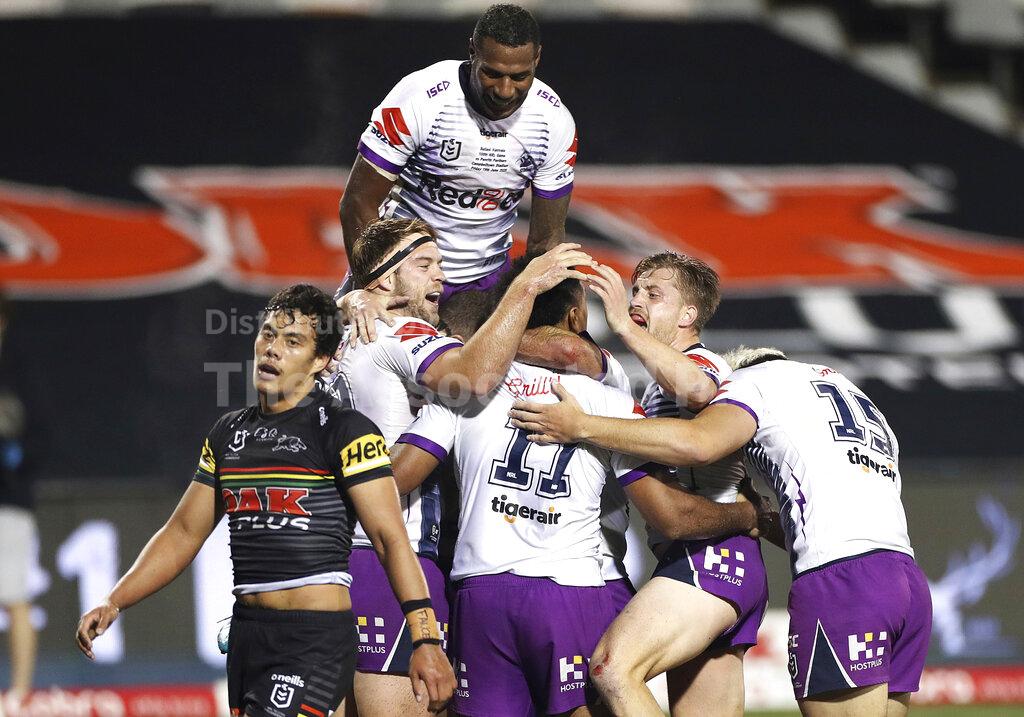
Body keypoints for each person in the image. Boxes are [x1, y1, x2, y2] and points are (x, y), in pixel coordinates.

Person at [389, 271, 767, 717]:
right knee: (614, 682)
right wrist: (749, 516)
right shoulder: (611, 397)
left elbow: (395, 480)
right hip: (577, 583)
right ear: (575, 317)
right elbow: (671, 514)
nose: (636, 303)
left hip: (481, 586)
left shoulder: (464, 388)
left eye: (652, 293)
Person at [76, 285, 456, 717]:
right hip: (248, 638)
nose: (273, 349)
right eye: (269, 334)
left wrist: (426, 638)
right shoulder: (228, 434)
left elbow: (390, 538)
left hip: (314, 640)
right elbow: (183, 533)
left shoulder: (346, 432)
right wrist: (115, 600)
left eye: (292, 342)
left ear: (321, 361)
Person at [509, 346, 932, 717]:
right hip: (905, 581)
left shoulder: (748, 383)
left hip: (838, 582)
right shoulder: (854, 401)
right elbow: (807, 513)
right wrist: (755, 513)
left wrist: (582, 425)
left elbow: (698, 443)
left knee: (613, 668)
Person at [327, 219, 593, 717]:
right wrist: (525, 288)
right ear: (383, 278)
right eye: (424, 265)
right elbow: (474, 375)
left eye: (440, 265)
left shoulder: (340, 340)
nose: (440, 277)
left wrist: (349, 299)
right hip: (393, 559)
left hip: (335, 556)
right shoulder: (405, 333)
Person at [547, 254, 769, 716]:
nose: (637, 300)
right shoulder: (655, 386)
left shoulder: (702, 363)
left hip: (711, 556)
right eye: (636, 291)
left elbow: (700, 391)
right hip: (717, 560)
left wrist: (621, 327)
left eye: (654, 293)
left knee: (612, 668)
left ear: (688, 315)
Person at [337, 3, 577, 335]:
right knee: (340, 355)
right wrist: (377, 287)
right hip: (400, 272)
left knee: (470, 367)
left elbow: (545, 242)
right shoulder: (420, 98)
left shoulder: (553, 122)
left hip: (480, 284)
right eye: (492, 73)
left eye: (520, 77)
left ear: (537, 59)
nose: (505, 90)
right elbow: (357, 203)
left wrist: (552, 313)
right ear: (472, 52)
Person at [0, 294, 38, 713]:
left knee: (13, 594)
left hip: (8, 501)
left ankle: (20, 694)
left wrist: (15, 467)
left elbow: (39, 434)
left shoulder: (19, 369)